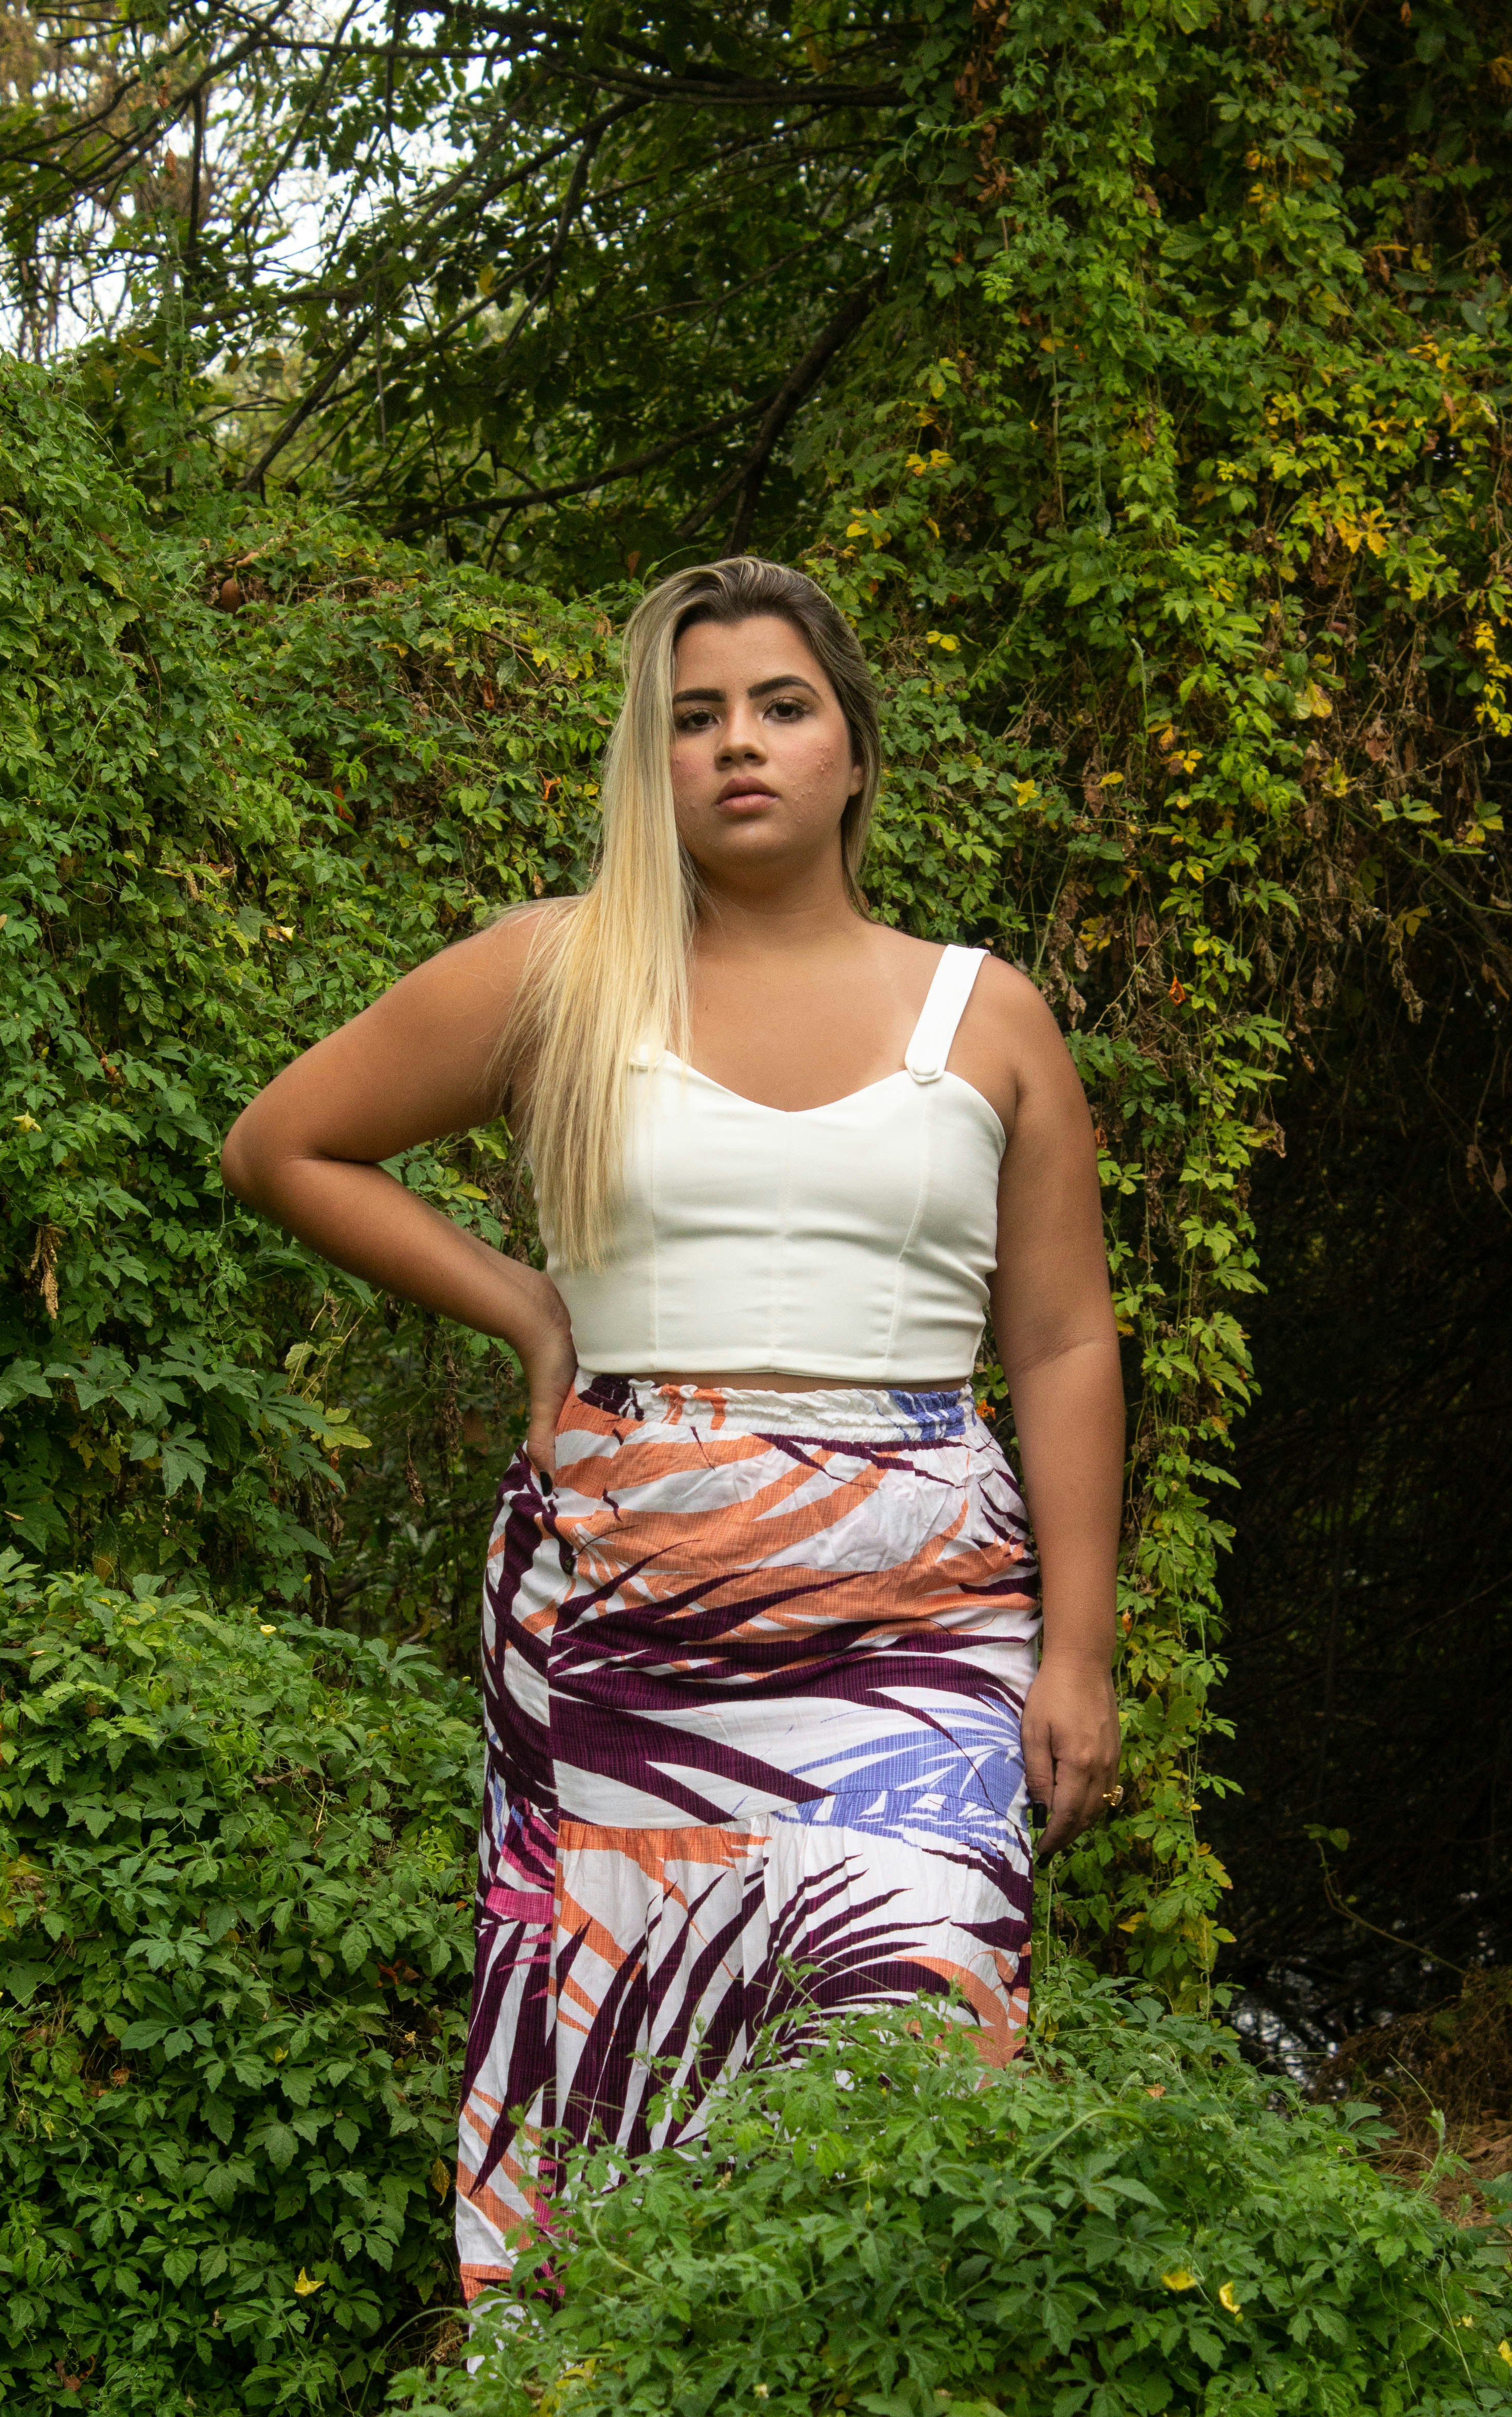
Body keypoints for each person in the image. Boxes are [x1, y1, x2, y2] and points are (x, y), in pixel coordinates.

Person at [222, 557, 1124, 2311]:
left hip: (922, 1615)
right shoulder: (563, 974)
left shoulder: (985, 1012)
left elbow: (1064, 1338)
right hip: (627, 1605)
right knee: (626, 2032)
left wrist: (1078, 1652)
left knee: (920, 2012)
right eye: (693, 717)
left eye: (782, 706)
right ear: (654, 763)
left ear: (855, 749)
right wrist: (526, 1306)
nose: (738, 745)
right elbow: (285, 1145)